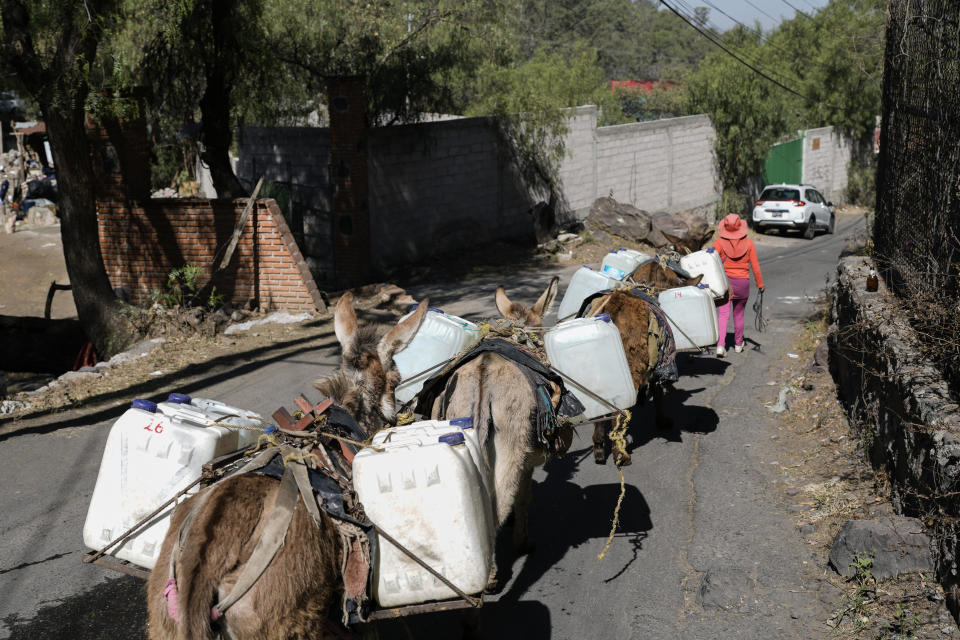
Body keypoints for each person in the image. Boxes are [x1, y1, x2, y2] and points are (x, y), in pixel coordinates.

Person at [714, 213, 764, 357]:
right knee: (739, 315)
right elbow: (755, 266)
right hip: (743, 283)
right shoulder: (749, 243)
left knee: (723, 314)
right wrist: (760, 284)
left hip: (725, 284)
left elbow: (710, 260)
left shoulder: (719, 243)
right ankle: (738, 344)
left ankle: (720, 346)